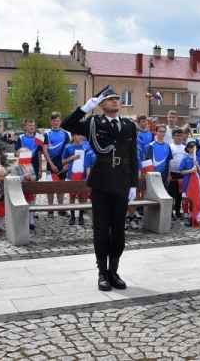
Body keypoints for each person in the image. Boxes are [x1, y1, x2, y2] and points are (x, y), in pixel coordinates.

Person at [62, 85, 138, 292]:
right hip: (102, 179)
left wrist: (133, 184)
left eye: (117, 98)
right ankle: (102, 272)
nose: (115, 101)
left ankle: (114, 270)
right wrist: (85, 108)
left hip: (122, 179)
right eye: (110, 99)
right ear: (101, 104)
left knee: (119, 230)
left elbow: (133, 157)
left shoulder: (129, 125)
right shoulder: (94, 122)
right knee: (102, 228)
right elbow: (67, 124)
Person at [43, 112, 71, 218]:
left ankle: (61, 209)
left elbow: (68, 150)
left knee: (61, 187)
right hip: (51, 165)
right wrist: (51, 164)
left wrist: (66, 164)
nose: (56, 122)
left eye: (57, 120)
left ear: (60, 121)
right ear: (51, 122)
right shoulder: (46, 134)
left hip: (62, 164)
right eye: (54, 120)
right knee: (50, 187)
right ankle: (50, 210)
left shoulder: (65, 134)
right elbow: (45, 151)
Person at [62, 133, 90, 226]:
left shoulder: (86, 147)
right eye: (78, 135)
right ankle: (72, 215)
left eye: (81, 135)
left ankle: (81, 216)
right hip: (72, 174)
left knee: (82, 196)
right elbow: (63, 161)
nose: (80, 136)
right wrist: (72, 158)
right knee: (72, 196)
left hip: (82, 174)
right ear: (73, 136)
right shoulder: (68, 148)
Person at [10, 148, 38, 229]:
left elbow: (34, 175)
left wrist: (32, 178)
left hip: (30, 189)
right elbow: (14, 178)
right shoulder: (16, 166)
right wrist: (24, 177)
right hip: (21, 189)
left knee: (31, 204)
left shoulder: (30, 166)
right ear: (19, 155)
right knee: (22, 206)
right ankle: (22, 221)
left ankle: (31, 222)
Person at [179, 138, 200, 227]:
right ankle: (186, 216)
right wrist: (190, 171)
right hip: (187, 182)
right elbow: (181, 171)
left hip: (195, 183)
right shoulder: (185, 159)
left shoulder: (199, 159)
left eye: (195, 145)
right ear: (188, 148)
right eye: (191, 146)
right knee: (186, 199)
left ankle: (193, 215)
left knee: (193, 199)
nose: (193, 148)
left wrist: (197, 165)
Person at [168, 128, 186, 219]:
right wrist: (169, 174)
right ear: (173, 137)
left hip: (181, 173)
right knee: (171, 194)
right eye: (177, 135)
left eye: (180, 135)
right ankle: (170, 213)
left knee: (179, 194)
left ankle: (178, 212)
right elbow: (168, 161)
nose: (179, 137)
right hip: (172, 173)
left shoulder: (184, 148)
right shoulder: (170, 147)